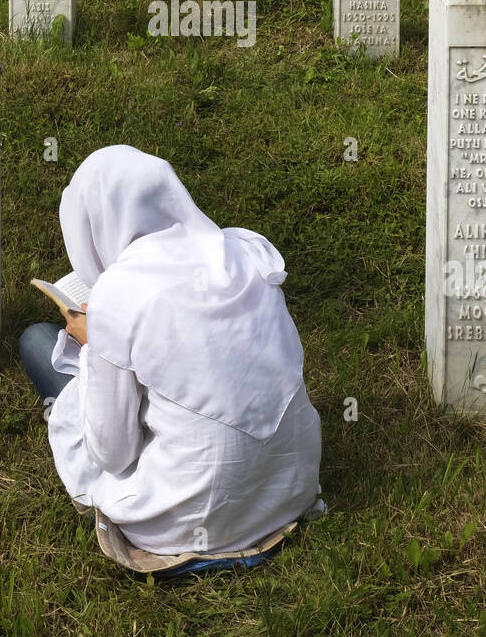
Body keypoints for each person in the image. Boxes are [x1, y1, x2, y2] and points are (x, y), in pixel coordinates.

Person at [19, 146, 323, 573]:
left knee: (36, 342)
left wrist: (93, 346)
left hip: (190, 516)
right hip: (285, 488)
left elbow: (112, 454)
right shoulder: (243, 251)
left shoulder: (120, 296)